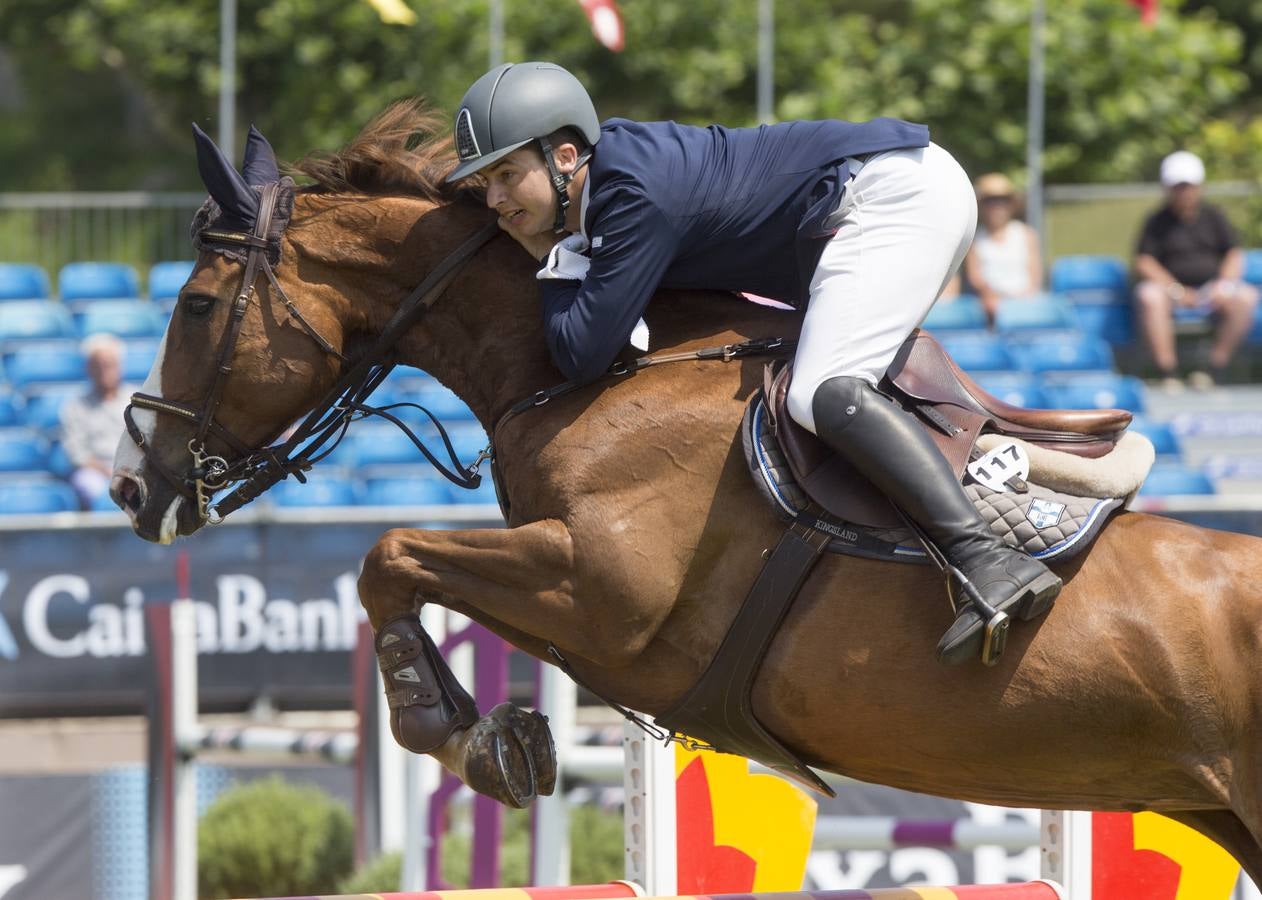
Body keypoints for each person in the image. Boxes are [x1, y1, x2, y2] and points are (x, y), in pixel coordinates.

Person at [445, 61, 1061, 665]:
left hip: (893, 198)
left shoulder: (633, 195)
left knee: (821, 391)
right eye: (486, 183)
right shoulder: (612, 184)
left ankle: (987, 560)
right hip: (871, 197)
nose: (495, 199)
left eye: (506, 174)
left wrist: (550, 257)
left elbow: (580, 353)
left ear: (565, 158)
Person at [1133, 150, 1257, 390]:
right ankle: (1168, 372)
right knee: (1149, 296)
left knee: (1246, 297)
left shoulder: (1214, 216)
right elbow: (1145, 261)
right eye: (1178, 186)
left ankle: (1214, 369)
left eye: (1188, 186)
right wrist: (1175, 290)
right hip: (1170, 292)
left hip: (1211, 291)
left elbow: (1233, 253)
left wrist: (1224, 285)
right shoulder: (1156, 221)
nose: (1184, 192)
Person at [60, 333, 129, 509]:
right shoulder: (76, 406)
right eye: (98, 365)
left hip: (133, 470)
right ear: (89, 368)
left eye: (110, 365)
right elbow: (77, 454)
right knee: (88, 485)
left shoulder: (136, 402)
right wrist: (108, 471)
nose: (104, 371)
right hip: (96, 472)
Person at [963, 172, 1042, 325]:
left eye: (1003, 200)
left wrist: (1024, 299)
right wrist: (992, 298)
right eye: (990, 200)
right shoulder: (974, 239)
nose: (997, 206)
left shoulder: (1027, 234)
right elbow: (976, 278)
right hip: (990, 309)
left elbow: (1035, 275)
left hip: (1026, 304)